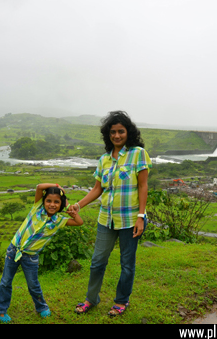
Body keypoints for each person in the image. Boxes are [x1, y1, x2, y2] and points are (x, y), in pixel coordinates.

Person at [69, 110, 151, 317]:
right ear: (108, 134)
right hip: (106, 219)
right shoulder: (104, 159)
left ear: (128, 132)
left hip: (131, 219)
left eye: (121, 131)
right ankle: (91, 299)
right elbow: (98, 189)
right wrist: (79, 205)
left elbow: (143, 186)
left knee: (127, 264)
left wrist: (141, 217)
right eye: (112, 132)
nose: (117, 136)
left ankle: (121, 301)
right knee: (97, 261)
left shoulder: (138, 154)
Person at [0, 183, 83, 323]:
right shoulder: (37, 208)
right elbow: (40, 187)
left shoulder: (59, 220)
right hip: (14, 250)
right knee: (5, 282)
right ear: (43, 201)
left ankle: (41, 307)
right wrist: (56, 186)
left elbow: (79, 222)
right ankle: (0, 310)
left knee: (33, 284)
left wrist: (69, 207)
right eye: (48, 201)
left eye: (56, 202)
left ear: (61, 204)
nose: (52, 204)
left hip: (31, 257)